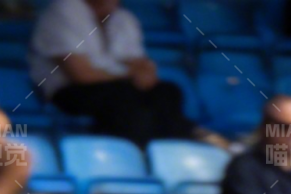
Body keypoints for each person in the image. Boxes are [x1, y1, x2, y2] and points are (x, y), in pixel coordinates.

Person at [29, 0, 202, 147]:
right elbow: (81, 75)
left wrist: (143, 74)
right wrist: (131, 75)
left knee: (167, 92)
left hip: (117, 86)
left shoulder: (122, 18)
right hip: (69, 91)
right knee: (125, 97)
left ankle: (168, 154)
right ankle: (129, 157)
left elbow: (142, 67)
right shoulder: (63, 11)